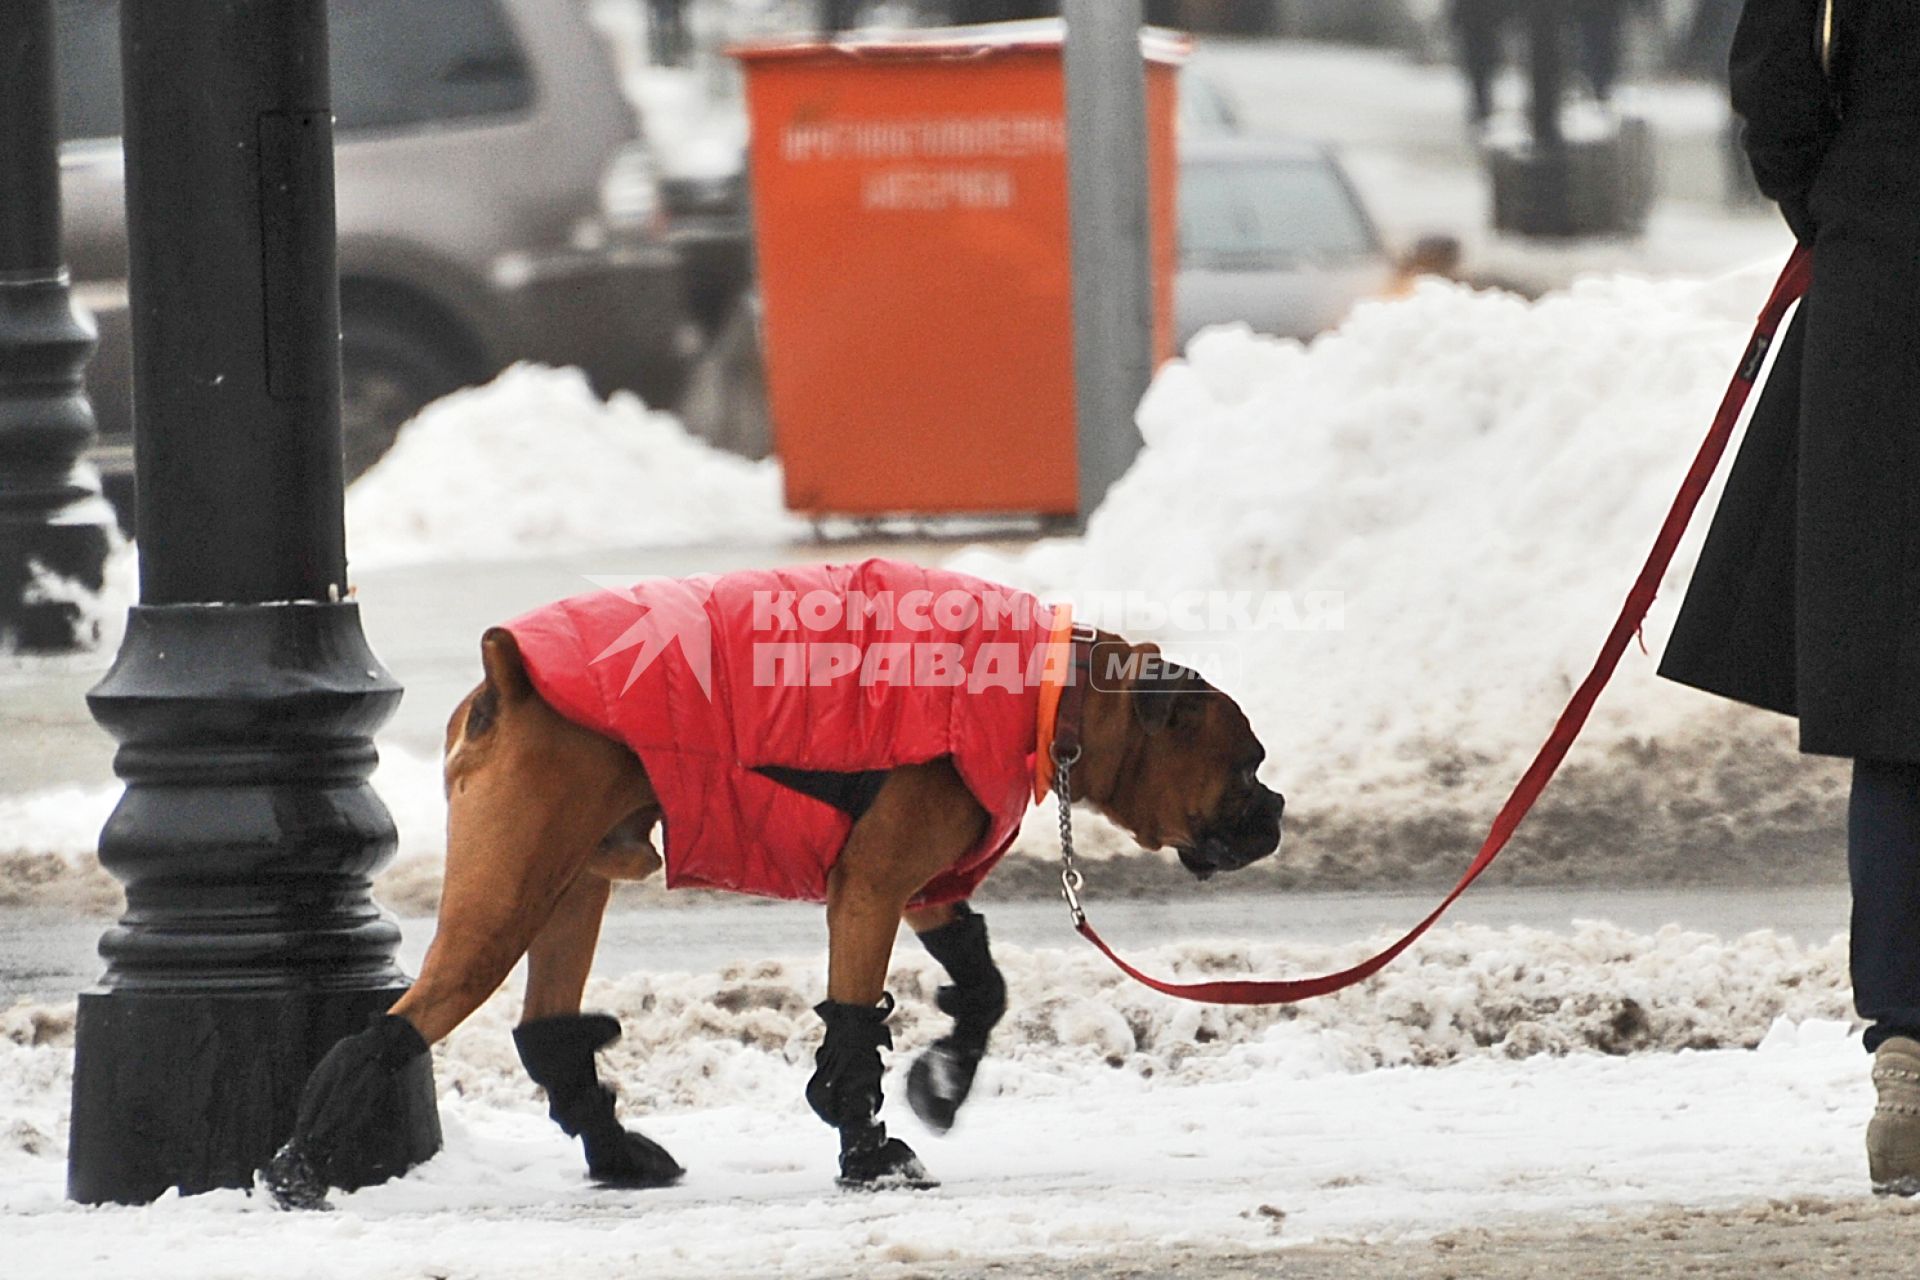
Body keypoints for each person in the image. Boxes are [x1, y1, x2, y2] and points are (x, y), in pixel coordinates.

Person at [1659, 0, 1920, 1195]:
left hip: (1888, 277)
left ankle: (1910, 1050)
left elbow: (1774, 75)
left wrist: (1844, 203)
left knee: (1901, 709)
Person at [1450, 0, 1513, 127]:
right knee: (1482, 71)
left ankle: (1482, 106)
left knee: (1479, 72)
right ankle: (1483, 106)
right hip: (1483, 30)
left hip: (1475, 30)